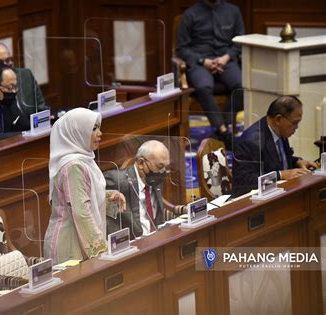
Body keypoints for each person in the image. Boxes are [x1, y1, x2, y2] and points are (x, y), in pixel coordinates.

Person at [44, 107, 126, 264]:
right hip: (70, 245)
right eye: (93, 129)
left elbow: (83, 196)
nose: (100, 133)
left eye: (99, 128)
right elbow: (82, 211)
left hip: (79, 240)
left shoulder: (84, 160)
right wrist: (101, 250)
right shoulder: (73, 166)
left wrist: (109, 197)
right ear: (77, 132)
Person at [176, 0, 245, 148]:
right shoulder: (190, 14)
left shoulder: (233, 11)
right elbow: (181, 48)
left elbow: (239, 42)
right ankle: (224, 131)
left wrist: (226, 58)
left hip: (226, 60)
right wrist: (203, 61)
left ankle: (223, 126)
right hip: (200, 62)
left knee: (242, 85)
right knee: (203, 87)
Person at [232, 95, 317, 196]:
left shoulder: (279, 130)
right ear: (278, 119)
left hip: (279, 193)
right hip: (255, 203)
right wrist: (280, 175)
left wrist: (297, 161)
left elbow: (276, 160)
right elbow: (244, 182)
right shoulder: (250, 142)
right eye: (294, 123)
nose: (297, 127)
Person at [104, 140, 186, 238]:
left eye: (165, 167)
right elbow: (92, 192)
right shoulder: (117, 180)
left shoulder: (155, 178)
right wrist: (109, 194)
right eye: (160, 166)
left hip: (158, 237)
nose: (163, 172)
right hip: (134, 243)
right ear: (141, 163)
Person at [0, 43, 47, 115]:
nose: (6, 65)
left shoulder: (26, 75)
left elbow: (42, 109)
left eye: (8, 60)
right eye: (0, 63)